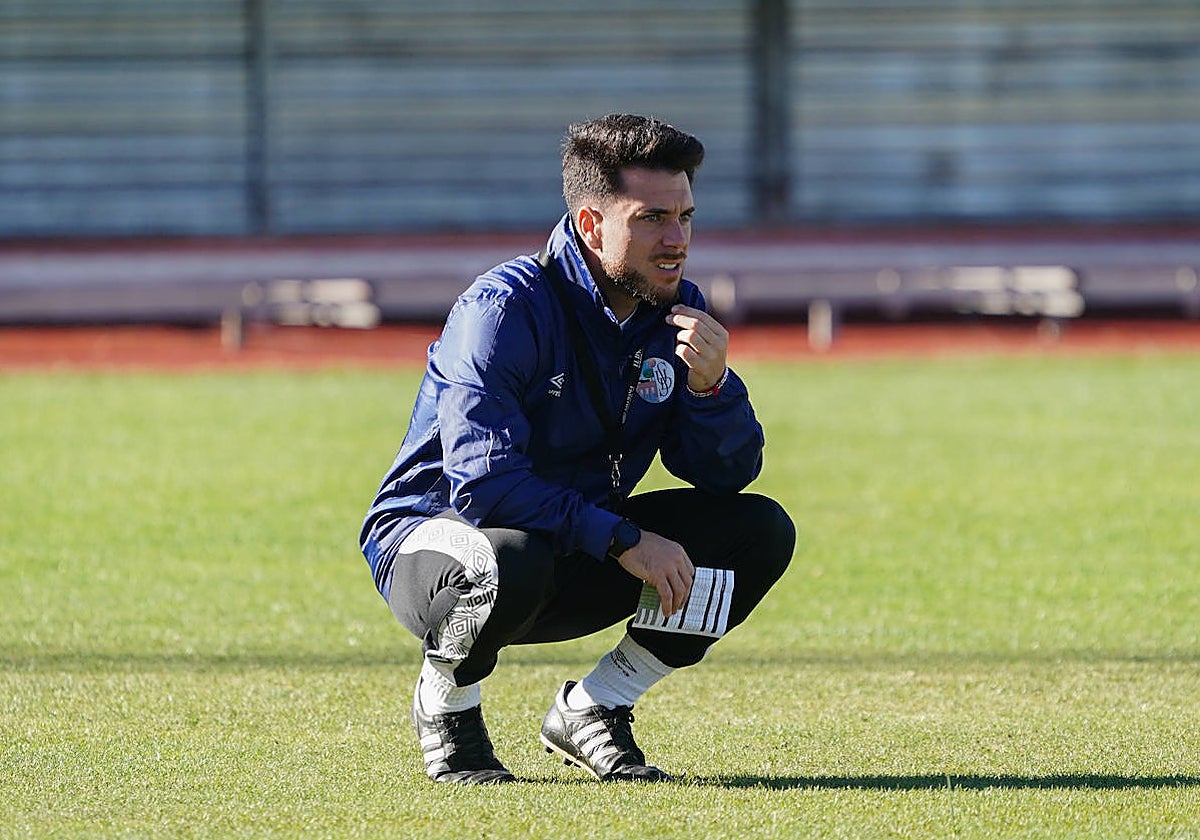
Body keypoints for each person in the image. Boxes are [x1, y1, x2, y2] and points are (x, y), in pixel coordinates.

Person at [359, 113, 795, 784]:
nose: (676, 240)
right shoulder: (504, 309)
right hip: (440, 549)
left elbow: (726, 474)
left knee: (755, 533)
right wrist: (625, 539)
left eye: (685, 216)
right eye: (652, 218)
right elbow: (484, 487)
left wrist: (713, 391)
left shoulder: (674, 308)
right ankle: (447, 707)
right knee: (511, 552)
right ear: (592, 226)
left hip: (575, 549)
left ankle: (596, 707)